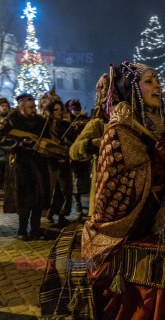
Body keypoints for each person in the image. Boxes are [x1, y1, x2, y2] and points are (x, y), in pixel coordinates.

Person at [81, 62, 165, 319]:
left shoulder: (157, 128)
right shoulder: (117, 131)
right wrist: (155, 162)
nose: (158, 86)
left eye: (157, 80)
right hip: (127, 230)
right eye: (149, 81)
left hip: (157, 223)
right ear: (132, 90)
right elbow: (111, 194)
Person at [0, 93, 50, 240]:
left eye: (34, 106)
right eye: (31, 107)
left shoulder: (42, 122)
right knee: (23, 197)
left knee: (38, 197)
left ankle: (36, 230)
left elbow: (49, 139)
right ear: (21, 106)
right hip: (20, 164)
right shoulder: (11, 120)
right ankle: (22, 230)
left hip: (38, 164)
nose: (34, 109)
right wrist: (19, 144)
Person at [69, 74, 111, 217]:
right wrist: (91, 143)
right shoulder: (97, 123)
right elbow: (74, 150)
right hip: (105, 185)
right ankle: (79, 207)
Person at [39, 90, 75, 228]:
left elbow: (73, 140)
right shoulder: (45, 125)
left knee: (65, 191)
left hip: (64, 163)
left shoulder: (65, 125)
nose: (59, 112)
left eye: (60, 109)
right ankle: (49, 214)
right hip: (50, 164)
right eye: (56, 110)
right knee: (52, 191)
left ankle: (62, 215)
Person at [64, 99, 91, 219]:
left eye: (78, 109)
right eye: (74, 109)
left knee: (82, 182)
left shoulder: (84, 120)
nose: (77, 112)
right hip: (72, 155)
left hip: (83, 155)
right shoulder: (67, 122)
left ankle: (81, 206)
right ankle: (78, 207)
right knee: (75, 183)